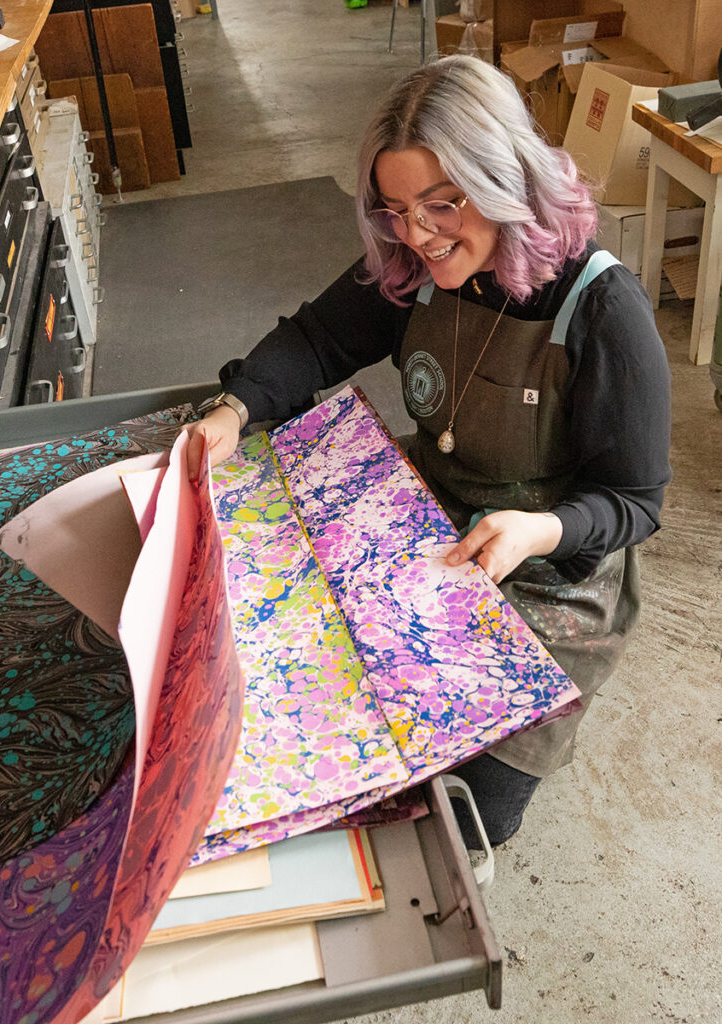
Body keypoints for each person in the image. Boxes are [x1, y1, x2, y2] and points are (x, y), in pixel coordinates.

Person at [186, 55, 672, 848]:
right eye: (394, 210)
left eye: (443, 205)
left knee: (466, 813)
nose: (416, 234)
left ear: (505, 176)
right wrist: (233, 411)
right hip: (428, 515)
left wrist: (534, 530)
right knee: (312, 693)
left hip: (550, 563)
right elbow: (316, 339)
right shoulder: (414, 269)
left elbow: (634, 501)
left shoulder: (601, 304)